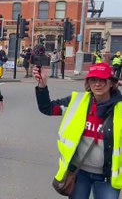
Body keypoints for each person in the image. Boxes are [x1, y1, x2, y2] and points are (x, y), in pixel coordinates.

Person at [33, 63, 122, 199]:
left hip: (108, 177)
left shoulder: (120, 108)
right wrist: (42, 86)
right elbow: (48, 108)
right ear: (88, 83)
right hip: (79, 174)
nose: (97, 84)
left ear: (111, 83)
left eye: (102, 80)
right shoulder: (77, 101)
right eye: (93, 80)